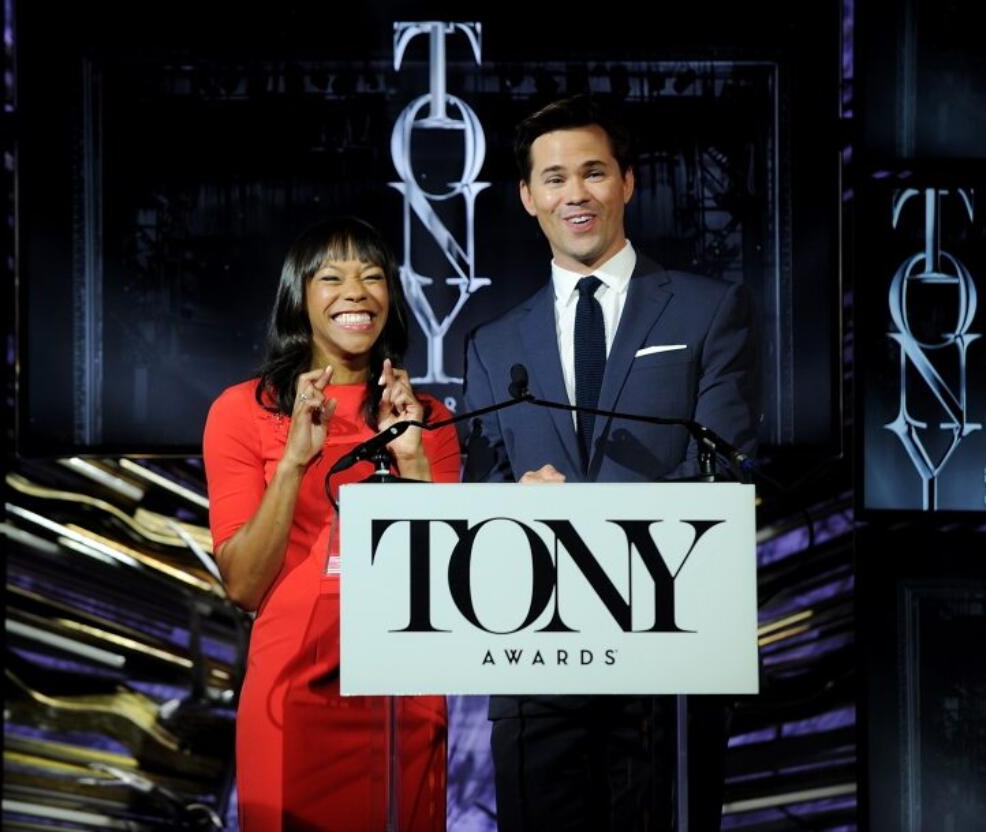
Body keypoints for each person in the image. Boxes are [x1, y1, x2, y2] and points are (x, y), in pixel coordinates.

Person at [463, 95, 760, 830]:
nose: (577, 194)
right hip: (537, 658)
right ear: (530, 197)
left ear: (627, 182)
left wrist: (594, 521)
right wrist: (508, 505)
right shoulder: (494, 344)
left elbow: (725, 467)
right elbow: (478, 488)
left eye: (594, 173)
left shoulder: (707, 310)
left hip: (667, 650)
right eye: (555, 178)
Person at [203, 217, 459, 831]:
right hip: (291, 692)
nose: (356, 292)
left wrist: (415, 462)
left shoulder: (425, 418)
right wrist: (294, 460)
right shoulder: (243, 410)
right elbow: (243, 585)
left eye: (372, 277)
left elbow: (450, 584)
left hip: (405, 689)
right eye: (333, 277)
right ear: (300, 295)